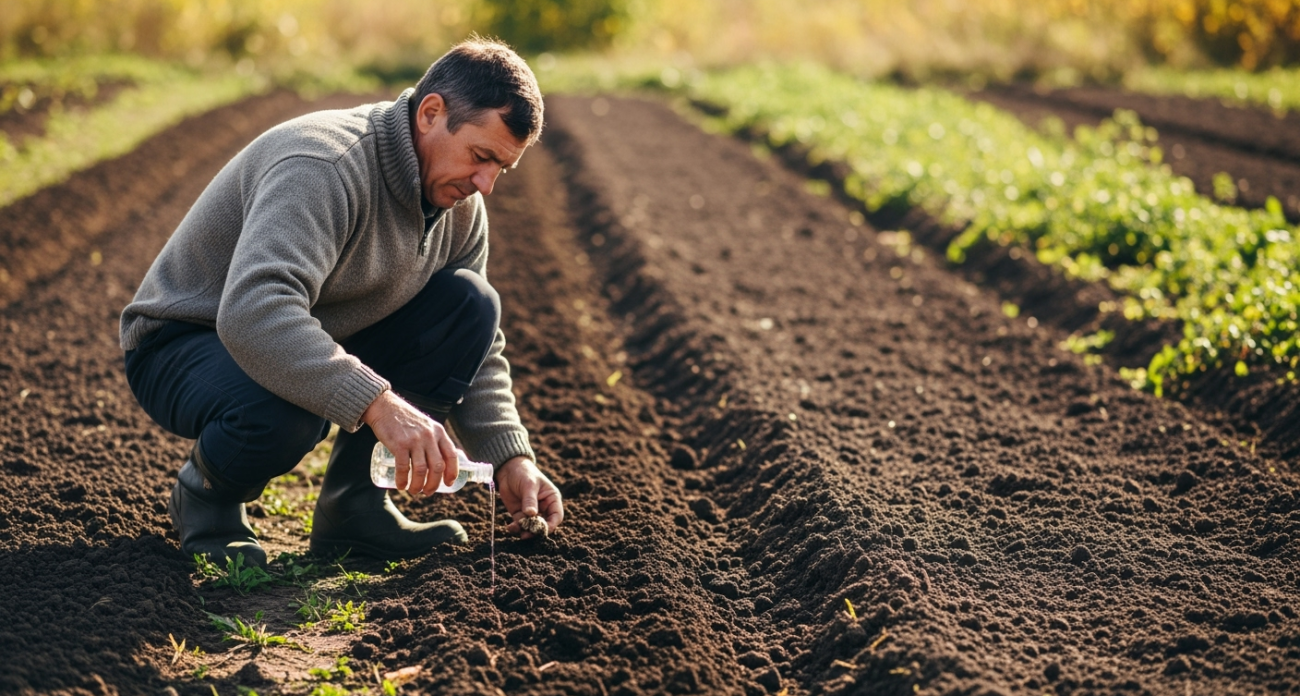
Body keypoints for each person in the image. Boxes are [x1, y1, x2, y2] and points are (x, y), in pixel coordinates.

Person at [119, 38, 564, 566]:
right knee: (288, 406)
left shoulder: (461, 208)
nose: (485, 184)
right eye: (481, 157)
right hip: (184, 341)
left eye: (501, 169)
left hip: (302, 333)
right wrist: (378, 403)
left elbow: (478, 346)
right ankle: (206, 498)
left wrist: (511, 457)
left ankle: (354, 508)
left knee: (469, 304)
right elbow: (255, 311)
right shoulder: (325, 165)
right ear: (431, 113)